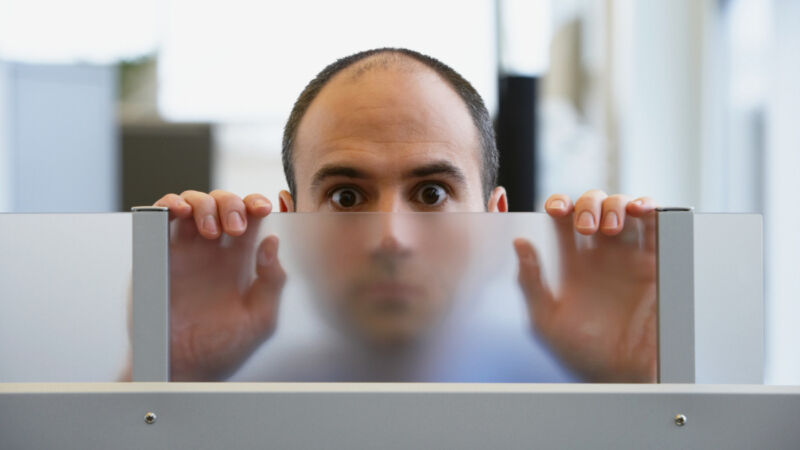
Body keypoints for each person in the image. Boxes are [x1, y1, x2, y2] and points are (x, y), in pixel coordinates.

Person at [151, 48, 657, 382]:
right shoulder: (235, 400)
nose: (391, 238)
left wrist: (637, 389)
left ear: (494, 221)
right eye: (346, 197)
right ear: (290, 224)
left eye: (432, 193)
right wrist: (165, 374)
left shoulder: (571, 389)